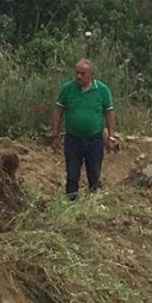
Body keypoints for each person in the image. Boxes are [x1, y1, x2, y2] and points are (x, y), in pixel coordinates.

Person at [51, 59, 118, 199]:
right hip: (73, 140)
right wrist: (55, 136)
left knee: (94, 174)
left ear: (92, 74)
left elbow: (109, 113)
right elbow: (58, 111)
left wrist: (111, 137)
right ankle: (71, 203)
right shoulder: (68, 89)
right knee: (72, 175)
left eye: (82, 73)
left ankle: (93, 205)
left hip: (95, 141)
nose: (78, 76)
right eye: (77, 73)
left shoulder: (103, 90)